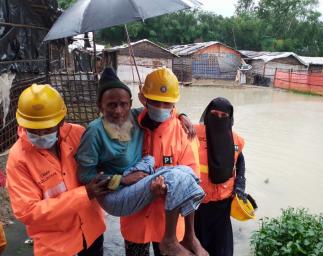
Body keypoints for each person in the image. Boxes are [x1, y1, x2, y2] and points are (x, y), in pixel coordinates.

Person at [75, 67, 206, 256]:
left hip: (167, 219)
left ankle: (188, 236)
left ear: (131, 103)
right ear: (144, 99)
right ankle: (184, 238)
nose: (118, 110)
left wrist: (181, 115)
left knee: (185, 175)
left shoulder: (175, 129)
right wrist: (121, 180)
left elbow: (164, 103)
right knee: (176, 174)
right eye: (111, 105)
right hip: (133, 215)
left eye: (123, 104)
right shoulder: (121, 124)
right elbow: (85, 175)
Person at [6, 84, 109, 256]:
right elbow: (28, 211)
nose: (40, 135)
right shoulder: (18, 159)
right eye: (33, 130)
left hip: (92, 232)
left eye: (47, 129)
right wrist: (85, 194)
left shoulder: (78, 135)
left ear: (60, 121)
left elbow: (103, 164)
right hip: (55, 246)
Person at [119, 68, 208, 256]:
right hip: (135, 220)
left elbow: (192, 178)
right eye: (155, 101)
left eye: (166, 103)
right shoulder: (128, 127)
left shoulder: (184, 132)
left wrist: (167, 189)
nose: (160, 107)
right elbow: (114, 162)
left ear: (174, 103)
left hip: (168, 226)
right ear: (143, 99)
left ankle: (188, 238)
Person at [194, 97, 247, 256]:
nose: (218, 118)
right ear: (207, 114)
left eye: (223, 116)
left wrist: (240, 186)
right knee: (197, 249)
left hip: (223, 206)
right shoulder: (193, 132)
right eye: (214, 114)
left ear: (230, 118)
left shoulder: (236, 139)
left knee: (223, 251)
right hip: (196, 206)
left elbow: (240, 163)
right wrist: (181, 116)